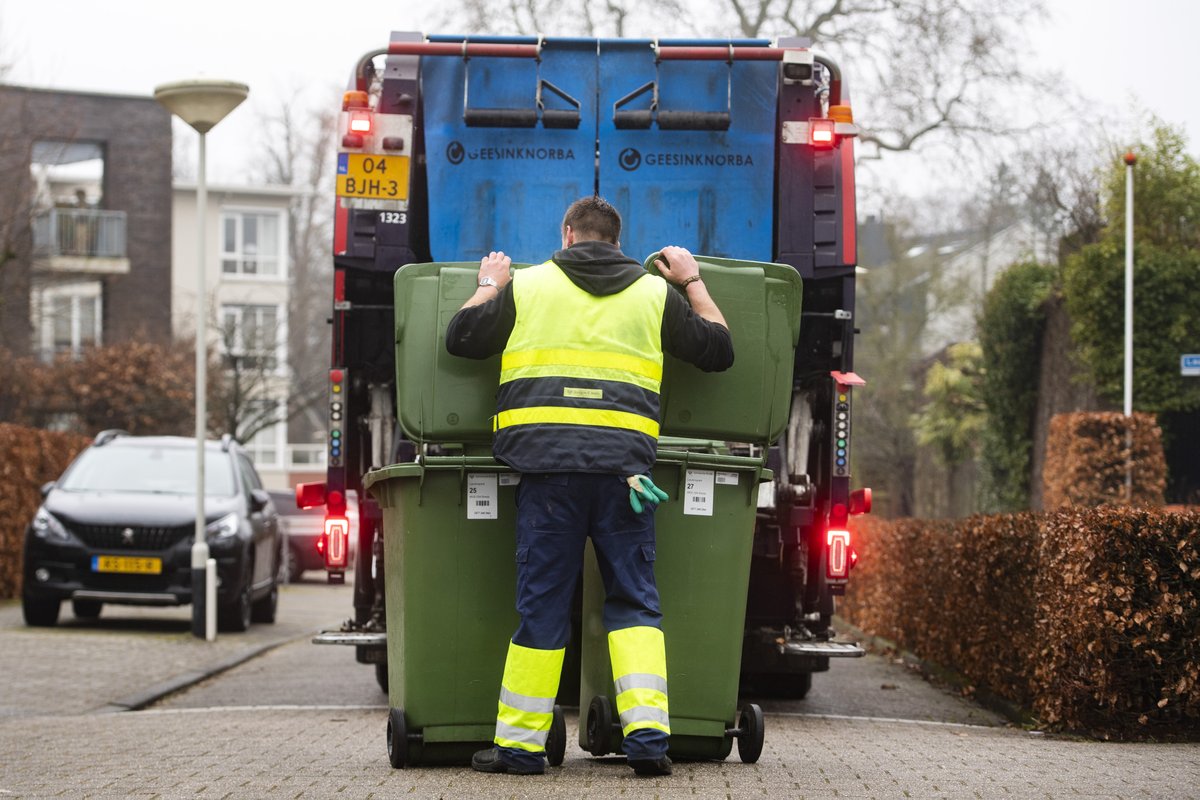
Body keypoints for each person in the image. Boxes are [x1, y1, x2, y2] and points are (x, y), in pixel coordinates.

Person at [445, 196, 733, 777]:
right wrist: (693, 281)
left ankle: (522, 749)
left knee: (543, 607)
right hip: (625, 476)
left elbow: (461, 339)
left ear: (567, 234)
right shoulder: (655, 294)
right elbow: (719, 350)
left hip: (548, 474)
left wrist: (487, 283)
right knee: (634, 602)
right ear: (620, 242)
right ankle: (648, 743)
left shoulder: (527, 286)